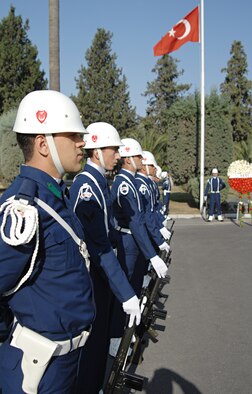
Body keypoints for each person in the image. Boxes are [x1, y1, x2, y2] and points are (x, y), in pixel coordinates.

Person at [0, 90, 96, 394]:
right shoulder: (24, 209)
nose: (83, 142)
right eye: (74, 135)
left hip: (67, 363)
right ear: (43, 144)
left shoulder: (55, 197)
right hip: (37, 371)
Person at [68, 123, 141, 393]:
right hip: (94, 276)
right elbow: (98, 244)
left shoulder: (98, 182)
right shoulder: (87, 186)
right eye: (113, 149)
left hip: (103, 274)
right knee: (92, 349)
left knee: (100, 347)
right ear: (97, 152)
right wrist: (126, 293)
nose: (118, 155)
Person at [109, 138, 169, 356]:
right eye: (137, 157)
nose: (141, 161)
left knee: (134, 287)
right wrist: (152, 253)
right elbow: (135, 221)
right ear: (127, 159)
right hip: (127, 241)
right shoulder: (125, 184)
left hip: (134, 240)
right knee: (126, 290)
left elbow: (144, 216)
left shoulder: (132, 182)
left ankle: (127, 329)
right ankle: (119, 335)